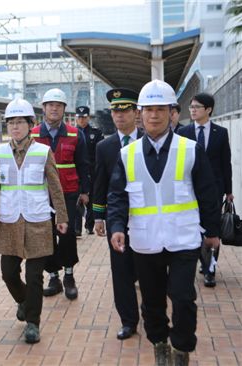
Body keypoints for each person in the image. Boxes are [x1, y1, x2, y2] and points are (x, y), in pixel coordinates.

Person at [107, 80, 221, 366]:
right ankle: (159, 345)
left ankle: (181, 349)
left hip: (183, 238)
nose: (153, 115)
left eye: (161, 109)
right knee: (153, 302)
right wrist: (117, 227)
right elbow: (117, 196)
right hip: (145, 242)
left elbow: (208, 193)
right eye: (148, 110)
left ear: (172, 113)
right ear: (139, 114)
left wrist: (213, 232)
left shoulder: (191, 149)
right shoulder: (127, 154)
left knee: (183, 297)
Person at [0, 98, 68, 344]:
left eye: (20, 122)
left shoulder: (42, 152)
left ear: (31, 124)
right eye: (11, 122)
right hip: (10, 221)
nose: (15, 127)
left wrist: (61, 216)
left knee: (34, 276)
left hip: (38, 221)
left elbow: (55, 186)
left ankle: (33, 322)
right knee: (8, 273)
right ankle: (23, 301)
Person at [93, 88, 143, 341]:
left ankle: (152, 312)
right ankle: (128, 321)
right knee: (121, 271)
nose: (119, 116)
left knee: (149, 269)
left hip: (148, 217)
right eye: (115, 111)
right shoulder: (105, 146)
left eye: (125, 111)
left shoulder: (149, 140)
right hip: (117, 219)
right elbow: (99, 183)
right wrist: (99, 217)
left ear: (136, 113)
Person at [31, 88, 90, 299]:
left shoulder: (75, 134)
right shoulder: (33, 134)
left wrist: (85, 191)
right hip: (41, 194)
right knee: (45, 235)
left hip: (68, 192)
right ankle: (53, 277)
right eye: (50, 105)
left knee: (66, 236)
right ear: (44, 108)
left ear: (64, 109)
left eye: (58, 105)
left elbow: (83, 164)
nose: (54, 108)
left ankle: (69, 275)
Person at [177, 93, 234, 288]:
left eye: (197, 107)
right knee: (194, 225)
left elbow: (226, 163)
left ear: (208, 109)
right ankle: (200, 259)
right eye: (191, 107)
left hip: (215, 188)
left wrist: (229, 190)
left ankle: (210, 269)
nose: (192, 110)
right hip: (189, 188)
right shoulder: (184, 133)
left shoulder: (221, 132)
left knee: (213, 227)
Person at [74, 105, 103, 236]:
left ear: (88, 118)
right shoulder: (71, 133)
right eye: (79, 117)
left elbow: (100, 152)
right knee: (76, 199)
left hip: (92, 170)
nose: (81, 120)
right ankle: (77, 228)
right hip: (75, 170)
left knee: (91, 198)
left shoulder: (95, 133)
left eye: (84, 117)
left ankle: (89, 225)